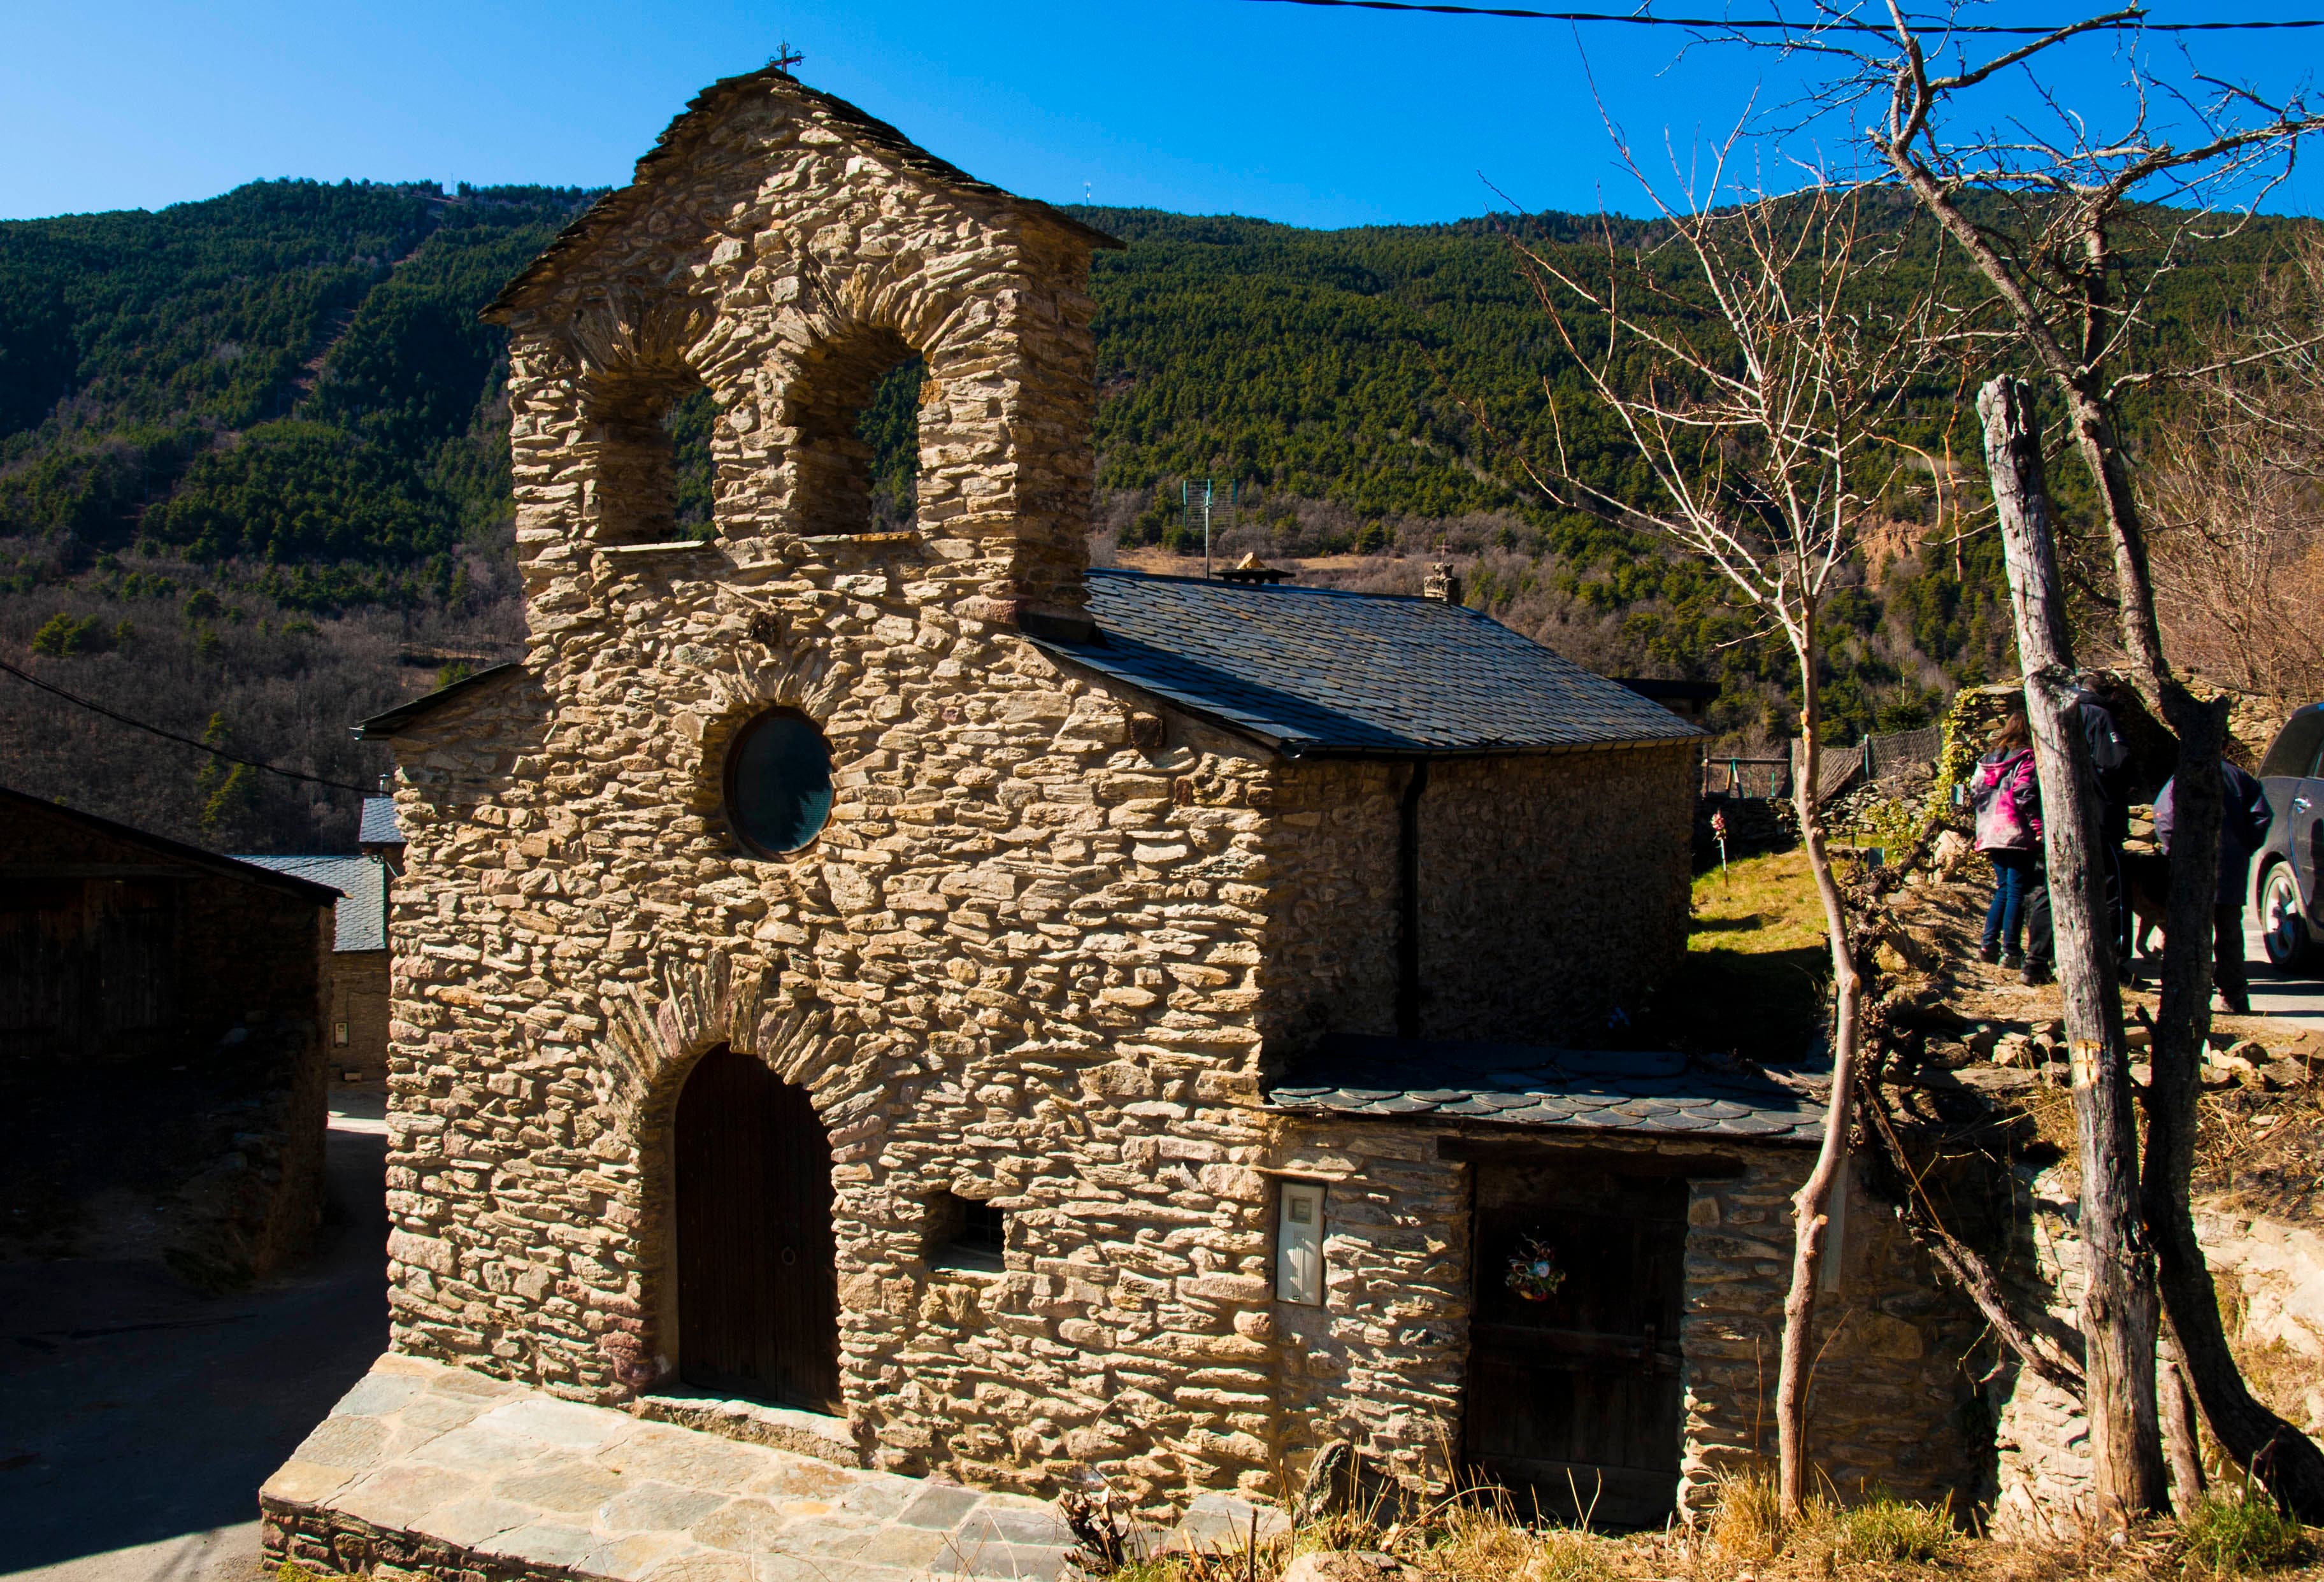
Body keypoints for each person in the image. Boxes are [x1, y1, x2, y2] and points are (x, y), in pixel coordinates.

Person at [2020, 677, 2134, 987]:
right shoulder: (2099, 715)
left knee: (2053, 885)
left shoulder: (2053, 712)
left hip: (2058, 815)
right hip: (2099, 816)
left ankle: (2035, 961)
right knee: (2112, 889)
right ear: (2107, 692)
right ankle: (2113, 962)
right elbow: (2116, 762)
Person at [2154, 759, 2274, 1015]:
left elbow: (2165, 816)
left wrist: (2174, 850)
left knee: (2192, 933)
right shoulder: (2240, 778)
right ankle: (2235, 996)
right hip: (2229, 866)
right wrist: (2243, 847)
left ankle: (2189, 997)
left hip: (2192, 866)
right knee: (2229, 933)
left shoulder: (2186, 773)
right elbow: (2262, 816)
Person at [1971, 711, 2043, 969]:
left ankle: (1988, 944)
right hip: (2016, 831)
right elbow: (2025, 792)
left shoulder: (1988, 760)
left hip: (1991, 831)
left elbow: (1975, 790)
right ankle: (2010, 949)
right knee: (2016, 891)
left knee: (2003, 888)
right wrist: (2038, 827)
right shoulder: (2026, 758)